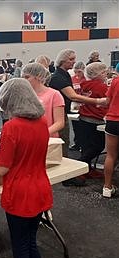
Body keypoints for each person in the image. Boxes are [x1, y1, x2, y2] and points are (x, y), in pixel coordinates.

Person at [0, 78, 53, 258]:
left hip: (20, 194)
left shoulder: (12, 127)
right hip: (40, 188)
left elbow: (1, 169)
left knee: (20, 246)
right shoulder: (42, 122)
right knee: (31, 243)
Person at [49, 49, 107, 186]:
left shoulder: (65, 75)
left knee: (77, 144)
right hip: (63, 113)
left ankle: (77, 170)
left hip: (79, 115)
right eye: (71, 59)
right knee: (63, 143)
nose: (74, 61)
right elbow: (73, 96)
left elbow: (76, 95)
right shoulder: (58, 77)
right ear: (62, 60)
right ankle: (68, 176)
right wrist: (98, 101)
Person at [77, 62, 109, 180]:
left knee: (86, 146)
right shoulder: (102, 87)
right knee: (98, 146)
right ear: (98, 74)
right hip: (96, 119)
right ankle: (80, 165)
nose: (106, 75)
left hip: (83, 118)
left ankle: (86, 169)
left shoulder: (83, 84)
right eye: (104, 72)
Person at [22, 63, 65, 137]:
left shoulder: (54, 95)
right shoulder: (24, 95)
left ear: (38, 76)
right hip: (28, 138)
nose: (24, 80)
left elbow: (59, 123)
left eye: (27, 77)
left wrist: (42, 134)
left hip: (49, 139)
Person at [103, 75, 119, 197]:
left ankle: (107, 187)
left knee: (110, 155)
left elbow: (107, 101)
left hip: (113, 120)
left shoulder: (115, 81)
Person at [69, 61, 86, 151]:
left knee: (82, 126)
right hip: (75, 104)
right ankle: (77, 143)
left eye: (79, 72)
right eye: (75, 72)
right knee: (75, 125)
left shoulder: (86, 79)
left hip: (84, 104)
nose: (77, 74)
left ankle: (83, 144)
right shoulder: (72, 79)